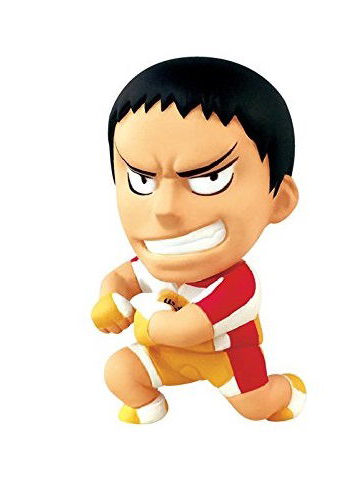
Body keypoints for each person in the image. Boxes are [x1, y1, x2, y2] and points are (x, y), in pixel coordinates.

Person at [91, 57, 307, 424]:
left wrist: (146, 322)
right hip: (165, 358)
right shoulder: (155, 263)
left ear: (279, 201)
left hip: (228, 359)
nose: (165, 210)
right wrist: (109, 300)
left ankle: (287, 389)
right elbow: (122, 278)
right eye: (142, 181)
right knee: (120, 372)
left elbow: (187, 328)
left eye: (209, 180)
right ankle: (148, 405)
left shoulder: (238, 284)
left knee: (256, 407)